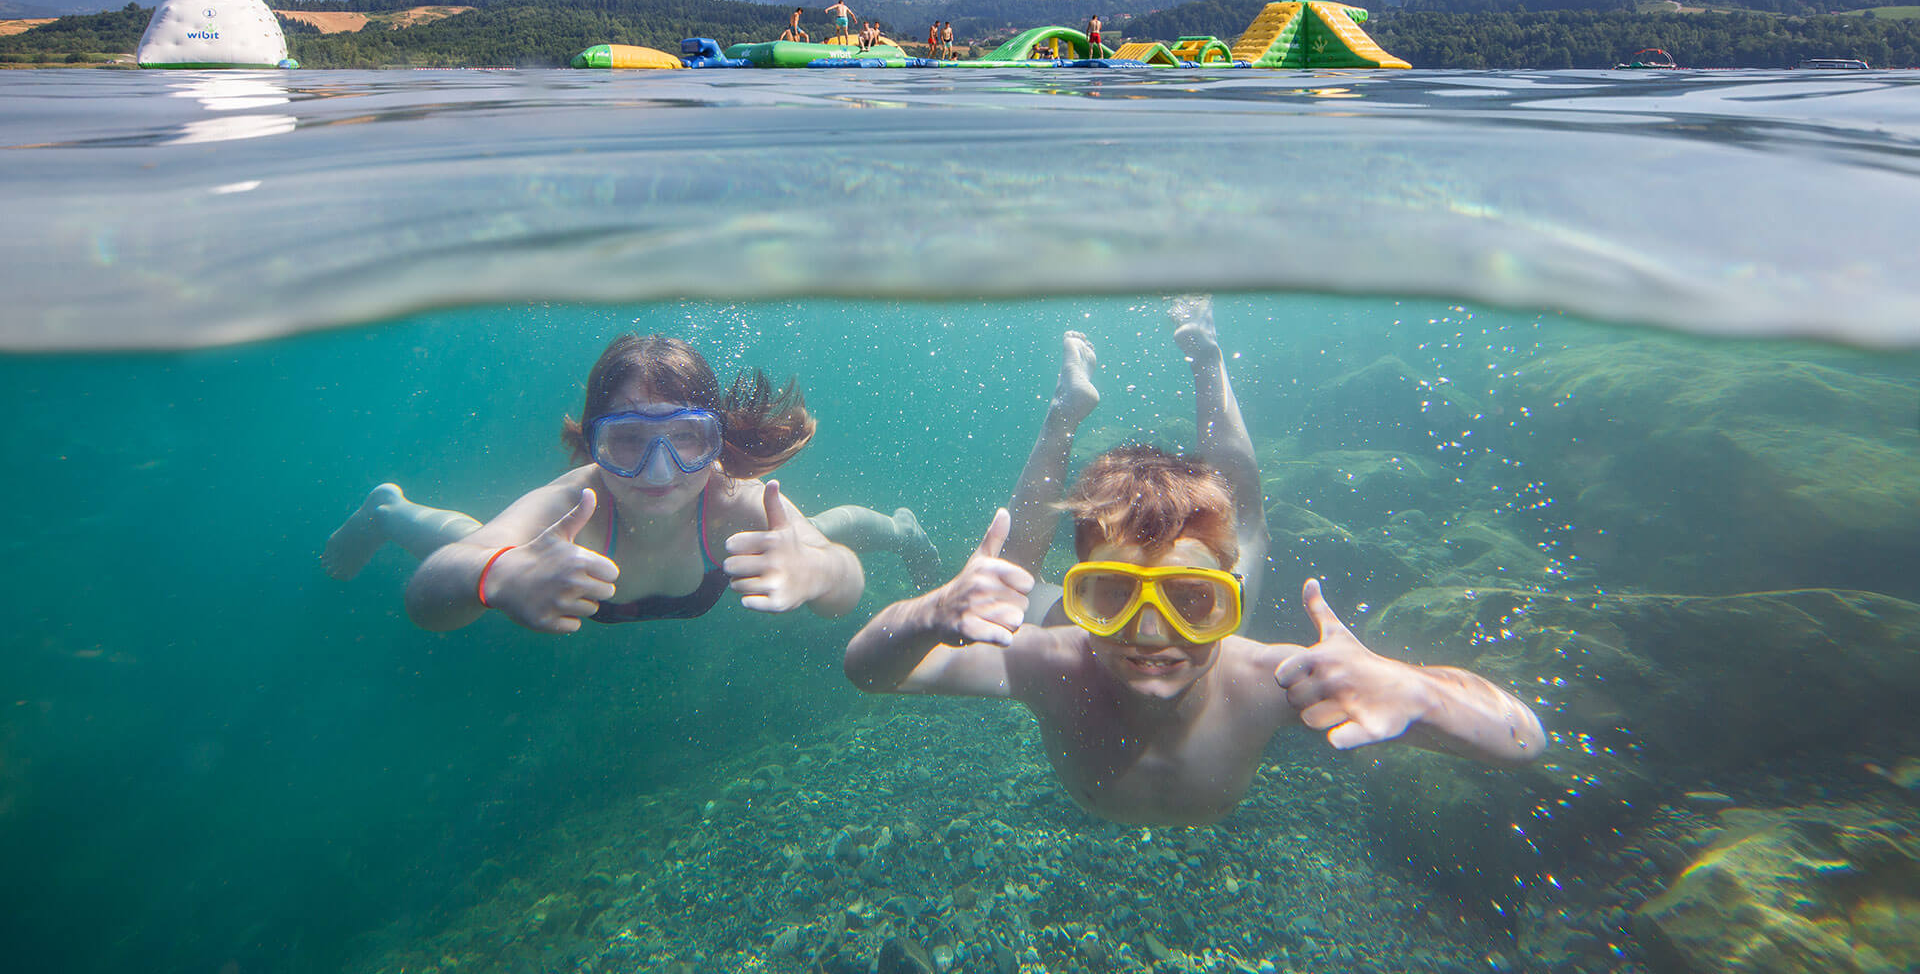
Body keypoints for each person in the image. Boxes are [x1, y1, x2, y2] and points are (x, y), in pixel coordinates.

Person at [844, 300, 1546, 826]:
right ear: (1083, 598)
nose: (1152, 633)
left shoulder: (1272, 680)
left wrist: (1413, 690)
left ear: (1226, 598)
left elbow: (1522, 739)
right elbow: (869, 673)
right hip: (1069, 626)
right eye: (1112, 595)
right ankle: (1063, 413)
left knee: (1247, 524)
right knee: (1012, 580)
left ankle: (1207, 358)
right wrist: (932, 611)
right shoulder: (1052, 661)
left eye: (1191, 598)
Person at [326, 334, 944, 632]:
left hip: (719, 561)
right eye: (626, 441)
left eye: (686, 441)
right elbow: (427, 598)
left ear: (716, 442)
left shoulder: (735, 502)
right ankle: (388, 511)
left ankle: (901, 531)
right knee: (472, 542)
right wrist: (502, 575)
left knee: (827, 535)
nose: (657, 472)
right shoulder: (577, 501)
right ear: (591, 443)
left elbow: (844, 589)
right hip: (598, 563)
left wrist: (819, 573)